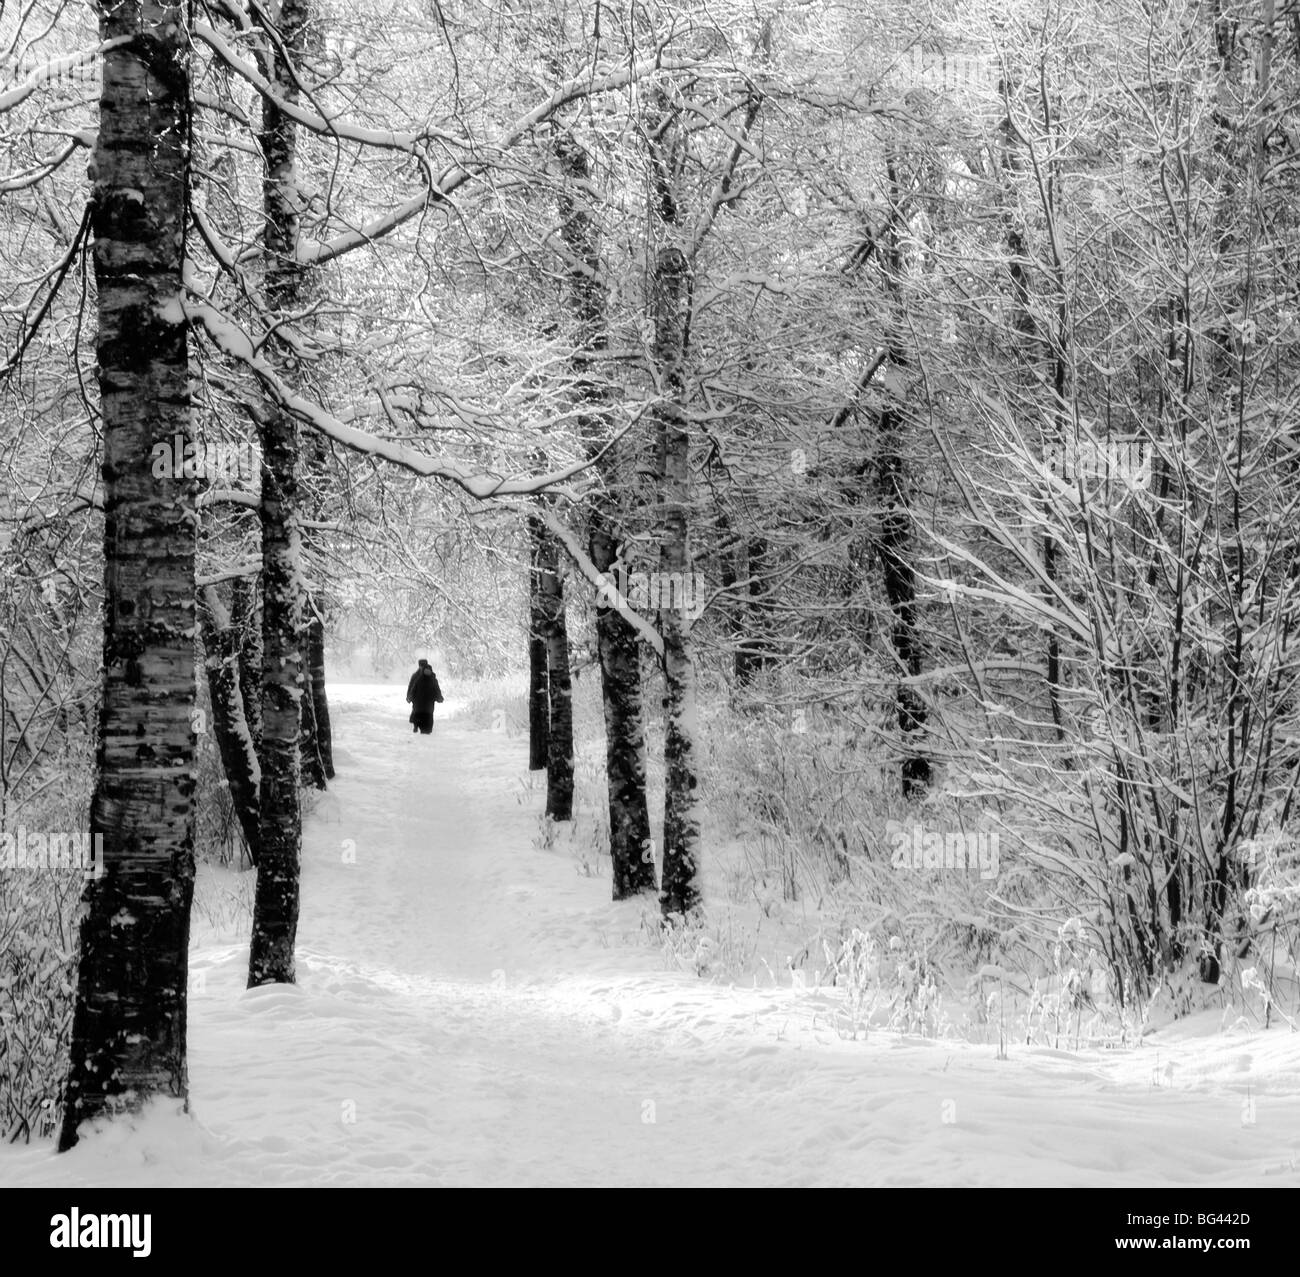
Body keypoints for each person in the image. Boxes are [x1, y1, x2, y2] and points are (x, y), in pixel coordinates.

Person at [405, 658, 444, 734]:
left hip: (418, 700)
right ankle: (423, 728)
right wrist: (439, 697)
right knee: (424, 714)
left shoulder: (417, 676)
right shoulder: (431, 678)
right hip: (425, 702)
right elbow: (437, 690)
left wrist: (409, 696)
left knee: (417, 712)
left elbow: (412, 687)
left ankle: (418, 726)